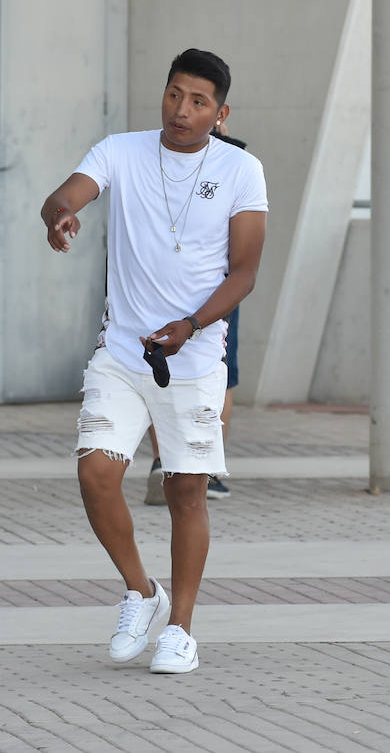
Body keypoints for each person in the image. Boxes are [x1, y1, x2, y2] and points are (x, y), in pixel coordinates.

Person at [40, 49, 269, 675]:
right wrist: (61, 215)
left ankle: (180, 629)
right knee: (96, 474)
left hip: (193, 358)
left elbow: (245, 270)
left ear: (220, 114)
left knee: (185, 490)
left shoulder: (242, 170)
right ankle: (141, 592)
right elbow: (66, 195)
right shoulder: (121, 151)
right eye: (174, 94)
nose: (181, 110)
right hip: (121, 353)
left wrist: (192, 324)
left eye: (198, 101)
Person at [145, 128, 250, 505]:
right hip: (209, 290)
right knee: (217, 374)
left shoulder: (157, 158)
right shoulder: (234, 162)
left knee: (160, 367)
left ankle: (167, 461)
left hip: (169, 284)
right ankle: (201, 467)